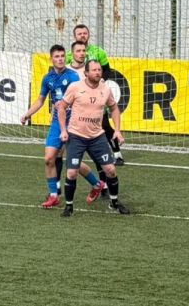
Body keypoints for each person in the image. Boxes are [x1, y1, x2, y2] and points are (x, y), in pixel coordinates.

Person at [20, 44, 106, 208]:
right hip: (56, 123)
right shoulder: (48, 78)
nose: (60, 59)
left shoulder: (73, 76)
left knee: (72, 162)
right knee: (49, 159)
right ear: (51, 59)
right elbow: (40, 100)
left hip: (73, 123)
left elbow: (81, 97)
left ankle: (96, 184)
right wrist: (27, 114)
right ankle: (54, 195)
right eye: (56, 56)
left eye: (62, 56)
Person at [54, 59, 129, 217]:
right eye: (94, 70)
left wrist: (117, 130)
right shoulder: (75, 87)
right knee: (72, 172)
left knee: (111, 170)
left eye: (99, 70)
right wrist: (63, 130)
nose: (97, 72)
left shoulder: (105, 89)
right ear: (86, 73)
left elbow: (114, 108)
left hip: (97, 137)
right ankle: (69, 207)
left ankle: (114, 203)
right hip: (76, 136)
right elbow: (61, 107)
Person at [68, 24, 124, 166]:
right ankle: (74, 153)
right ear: (74, 36)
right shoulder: (70, 55)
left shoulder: (98, 51)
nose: (82, 35)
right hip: (78, 96)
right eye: (79, 33)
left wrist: (102, 79)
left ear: (89, 35)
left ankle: (117, 153)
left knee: (104, 124)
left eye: (85, 33)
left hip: (95, 92)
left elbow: (107, 70)